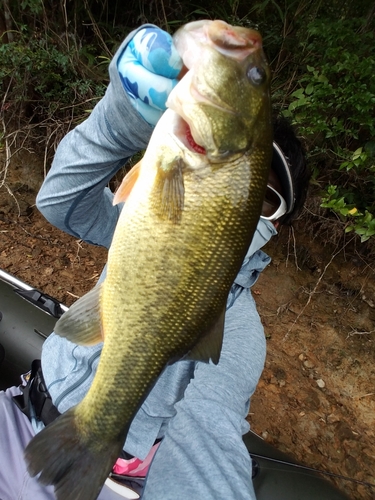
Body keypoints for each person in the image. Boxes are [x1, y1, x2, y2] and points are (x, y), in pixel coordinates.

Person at [0, 25, 310, 500]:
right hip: (18, 409)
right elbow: (59, 201)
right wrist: (118, 122)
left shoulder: (242, 335)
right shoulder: (148, 218)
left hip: (107, 480)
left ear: (272, 223)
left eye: (267, 199)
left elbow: (210, 429)